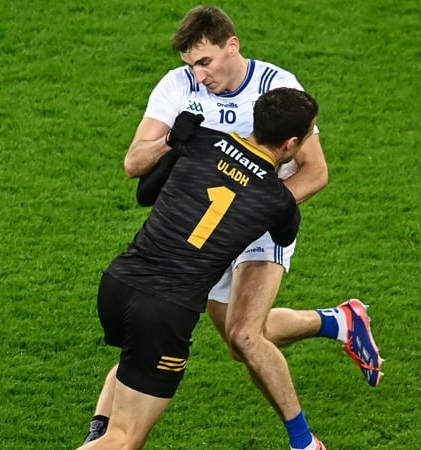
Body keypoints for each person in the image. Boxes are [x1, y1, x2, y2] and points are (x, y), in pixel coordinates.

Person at [82, 5, 382, 447]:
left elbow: (315, 172)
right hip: (202, 228)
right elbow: (133, 164)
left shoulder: (277, 88)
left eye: (205, 62)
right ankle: (338, 321)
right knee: (237, 337)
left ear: (232, 46)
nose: (199, 75)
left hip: (259, 224)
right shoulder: (177, 86)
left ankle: (302, 440)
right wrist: (170, 139)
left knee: (244, 336)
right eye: (190, 65)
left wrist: (256, 207)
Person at [79, 88, 327, 450]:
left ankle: (96, 432)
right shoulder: (278, 200)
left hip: (119, 283)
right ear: (291, 144)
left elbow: (145, 192)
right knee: (125, 439)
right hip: (165, 310)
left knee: (133, 362)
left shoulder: (202, 140)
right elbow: (284, 232)